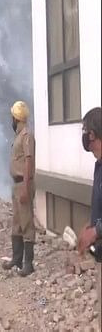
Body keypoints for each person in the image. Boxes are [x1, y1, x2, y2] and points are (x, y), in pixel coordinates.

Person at [2, 101, 36, 277]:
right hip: (16, 183)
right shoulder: (18, 135)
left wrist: (25, 187)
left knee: (26, 222)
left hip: (23, 183)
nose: (11, 120)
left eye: (12, 117)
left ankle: (28, 264)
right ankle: (17, 258)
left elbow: (29, 161)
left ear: (16, 118)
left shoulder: (26, 136)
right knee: (17, 222)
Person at [76, 107, 102, 323]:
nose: (83, 136)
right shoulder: (99, 165)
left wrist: (97, 230)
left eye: (85, 131)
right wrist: (92, 224)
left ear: (92, 135)